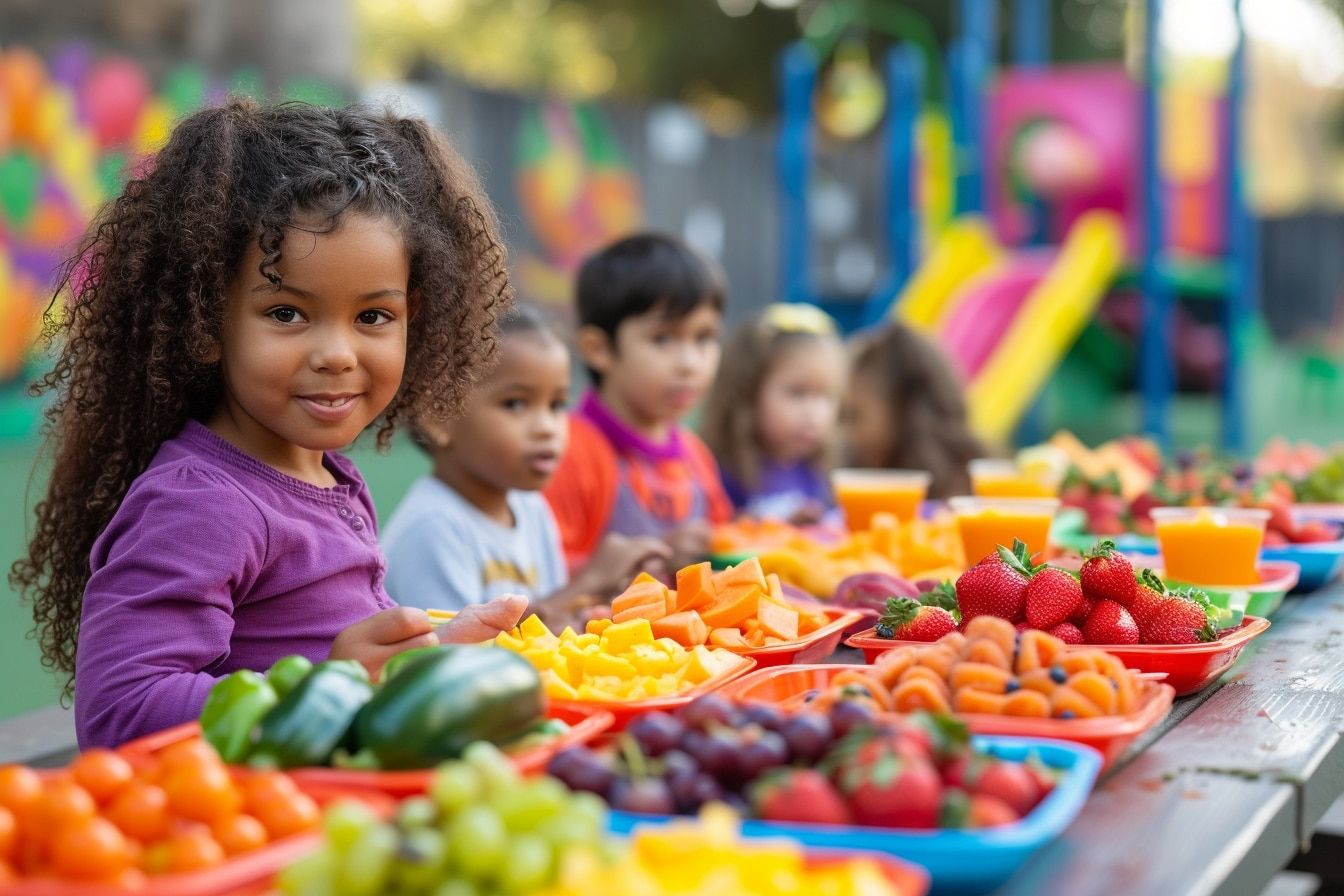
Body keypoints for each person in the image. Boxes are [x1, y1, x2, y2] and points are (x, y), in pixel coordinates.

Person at [9, 100, 528, 748]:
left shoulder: (325, 474)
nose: (337, 353)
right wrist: (328, 686)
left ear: (412, 317)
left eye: (373, 317)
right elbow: (121, 712)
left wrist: (430, 662)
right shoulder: (200, 505)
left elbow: (342, 659)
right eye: (286, 314)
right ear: (206, 324)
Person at [382, 305, 670, 623]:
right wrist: (590, 580)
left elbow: (555, 626)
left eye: (557, 404)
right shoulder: (434, 528)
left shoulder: (531, 509)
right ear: (440, 417)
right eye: (516, 404)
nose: (547, 427)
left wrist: (604, 603)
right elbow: (456, 659)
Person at [543, 233, 733, 573]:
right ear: (598, 349)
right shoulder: (568, 452)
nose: (690, 363)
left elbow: (725, 552)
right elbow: (543, 575)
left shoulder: (696, 457)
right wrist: (652, 561)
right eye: (663, 338)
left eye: (704, 338)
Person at [700, 303, 845, 523]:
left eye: (825, 396)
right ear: (748, 394)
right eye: (797, 392)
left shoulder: (816, 472)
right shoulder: (721, 472)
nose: (813, 413)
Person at [843, 321, 989, 499]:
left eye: (855, 415)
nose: (847, 432)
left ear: (902, 410)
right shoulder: (857, 478)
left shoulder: (972, 489)